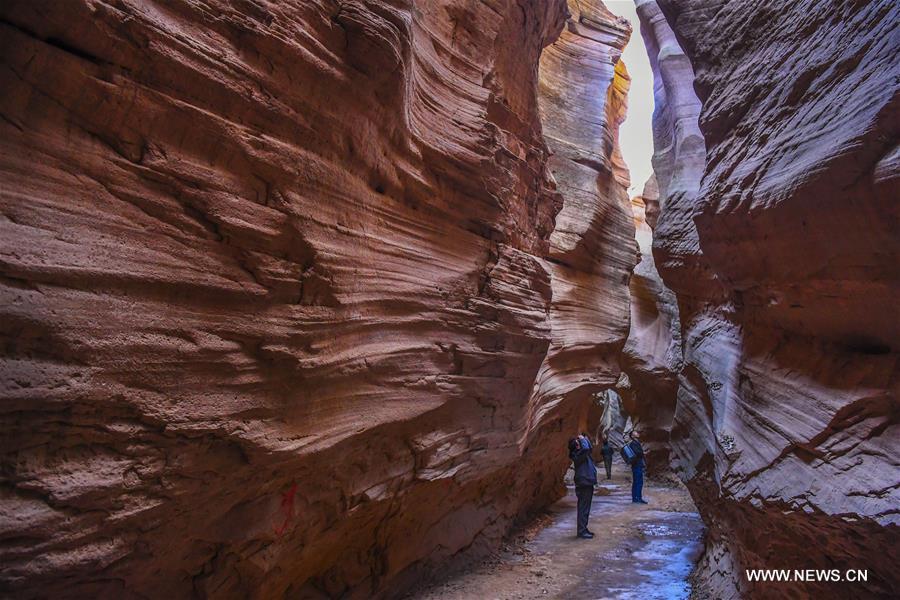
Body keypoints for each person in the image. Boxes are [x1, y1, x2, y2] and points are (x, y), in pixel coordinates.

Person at [568, 433, 598, 538]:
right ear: (576, 446)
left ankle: (584, 529)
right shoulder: (578, 455)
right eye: (578, 443)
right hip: (584, 482)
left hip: (586, 482)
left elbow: (589, 448)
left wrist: (584, 439)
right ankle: (581, 531)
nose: (580, 443)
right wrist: (582, 439)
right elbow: (586, 449)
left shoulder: (581, 454)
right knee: (583, 508)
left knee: (585, 508)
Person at [626, 432, 647, 504]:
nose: (637, 433)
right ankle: (637, 498)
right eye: (635, 432)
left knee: (638, 482)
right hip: (636, 465)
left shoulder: (635, 443)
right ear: (632, 435)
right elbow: (638, 453)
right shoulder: (633, 443)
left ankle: (637, 498)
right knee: (638, 482)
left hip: (637, 464)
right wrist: (643, 453)